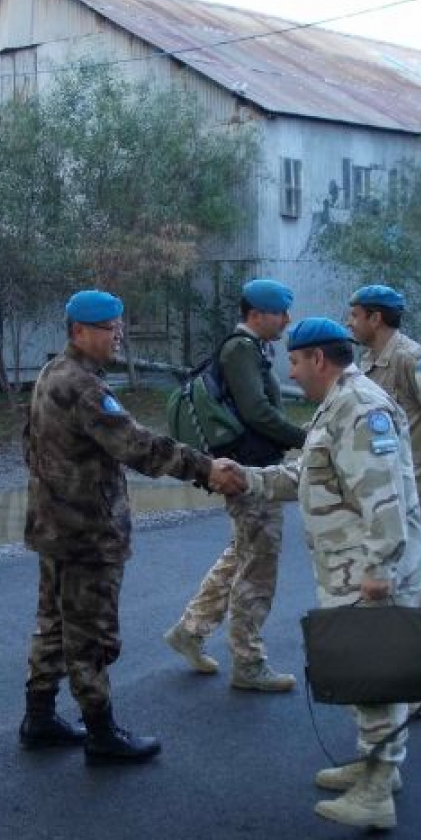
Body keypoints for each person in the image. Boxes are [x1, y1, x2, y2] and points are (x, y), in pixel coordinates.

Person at [20, 289, 244, 763]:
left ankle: (39, 717)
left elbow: (31, 446)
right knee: (91, 634)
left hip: (54, 526)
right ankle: (101, 733)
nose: (118, 336)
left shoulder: (51, 372)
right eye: (109, 328)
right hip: (86, 533)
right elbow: (138, 446)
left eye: (120, 327)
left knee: (53, 624)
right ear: (79, 331)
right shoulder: (85, 387)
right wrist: (205, 468)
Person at [242, 317, 421, 830]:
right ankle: (376, 766)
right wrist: (248, 479)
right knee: (362, 671)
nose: (290, 372)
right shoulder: (338, 404)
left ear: (318, 359)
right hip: (347, 567)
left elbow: (383, 493)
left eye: (295, 361)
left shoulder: (360, 407)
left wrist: (379, 567)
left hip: (366, 569)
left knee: (373, 675)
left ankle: (376, 792)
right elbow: (310, 474)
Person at [163, 278, 307, 692]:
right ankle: (248, 662)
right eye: (280, 312)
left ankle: (190, 630)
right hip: (251, 473)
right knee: (257, 568)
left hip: (252, 469)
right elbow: (257, 411)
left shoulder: (251, 348)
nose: (287, 319)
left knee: (242, 553)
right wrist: (307, 439)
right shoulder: (241, 349)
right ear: (257, 315)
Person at [346, 285, 421, 714]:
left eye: (355, 315)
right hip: (388, 493)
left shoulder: (413, 359)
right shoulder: (369, 362)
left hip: (416, 490)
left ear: (375, 318)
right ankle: (402, 674)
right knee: (394, 584)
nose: (349, 322)